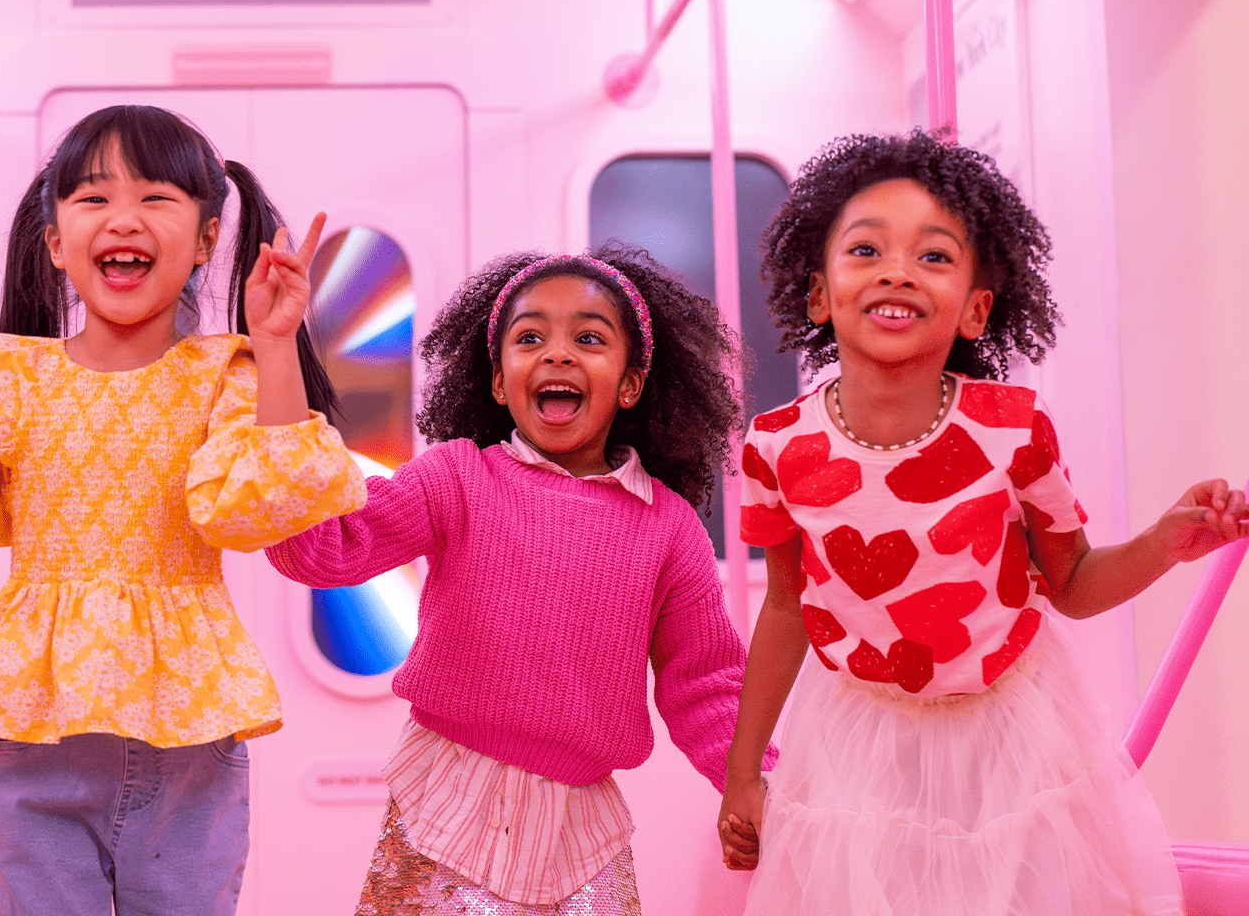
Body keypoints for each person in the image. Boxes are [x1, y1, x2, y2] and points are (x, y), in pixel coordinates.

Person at [0, 104, 366, 916]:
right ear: (56, 242)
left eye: (157, 198)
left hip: (190, 737)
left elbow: (256, 508)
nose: (123, 219)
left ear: (207, 241)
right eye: (94, 198)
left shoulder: (224, 375)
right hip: (37, 733)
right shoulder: (8, 377)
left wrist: (275, 347)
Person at [719, 130, 1245, 915]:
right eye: (866, 250)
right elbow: (788, 608)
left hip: (1011, 738)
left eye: (933, 256)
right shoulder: (776, 447)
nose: (897, 269)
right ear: (820, 295)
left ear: (975, 310)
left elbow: (1069, 584)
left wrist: (1162, 545)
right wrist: (743, 773)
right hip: (858, 743)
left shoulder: (1015, 430)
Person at [268, 243, 767, 914]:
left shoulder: (668, 526)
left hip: (582, 834)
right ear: (500, 382)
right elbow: (320, 551)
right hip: (440, 808)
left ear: (631, 383)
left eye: (588, 338)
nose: (557, 354)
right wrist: (275, 356)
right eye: (530, 337)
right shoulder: (455, 478)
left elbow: (705, 683)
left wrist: (758, 783)